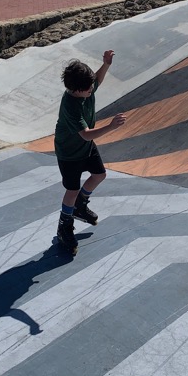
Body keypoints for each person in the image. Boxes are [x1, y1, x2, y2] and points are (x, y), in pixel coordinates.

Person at [53, 52, 126, 255]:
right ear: (77, 90)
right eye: (89, 88)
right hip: (69, 153)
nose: (93, 89)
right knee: (72, 190)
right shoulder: (71, 105)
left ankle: (80, 206)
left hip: (86, 148)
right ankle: (64, 225)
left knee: (99, 175)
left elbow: (97, 80)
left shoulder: (85, 88)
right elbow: (85, 135)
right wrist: (111, 127)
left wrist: (105, 65)